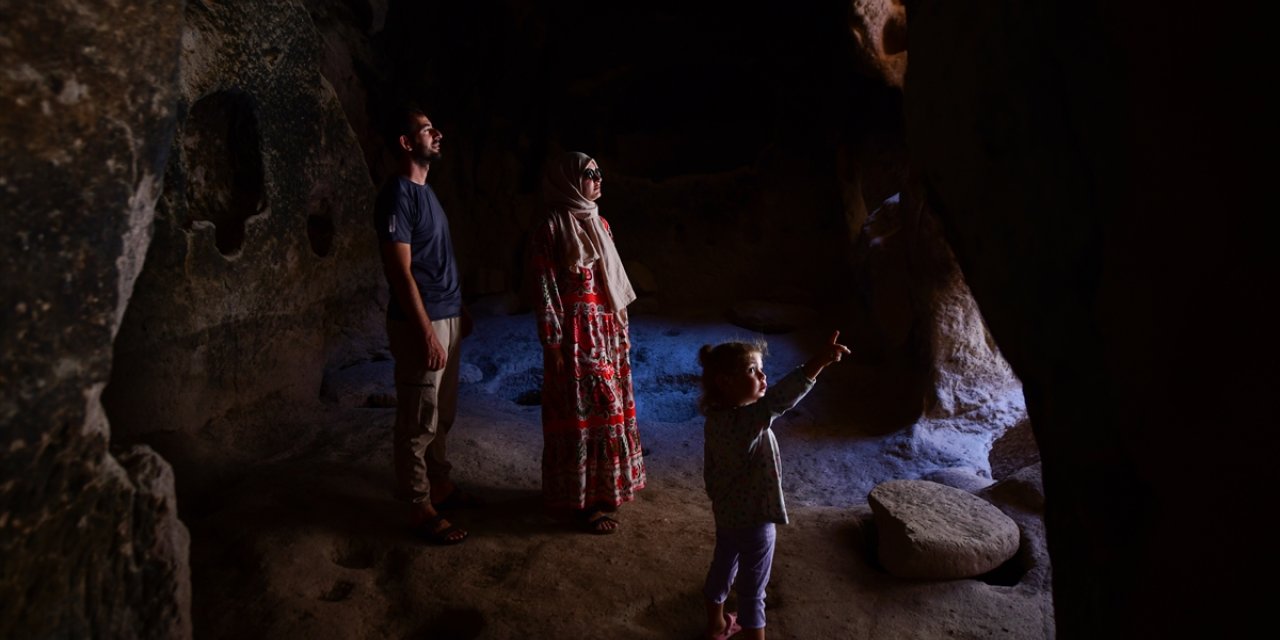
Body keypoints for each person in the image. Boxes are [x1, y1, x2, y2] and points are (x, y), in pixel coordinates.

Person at [697, 332, 851, 639]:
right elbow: (781, 397)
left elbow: (711, 469)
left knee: (724, 563)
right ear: (725, 382)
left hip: (727, 514)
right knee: (754, 589)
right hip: (756, 520)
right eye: (752, 370)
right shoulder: (750, 420)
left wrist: (717, 496)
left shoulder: (715, 419)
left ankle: (716, 623)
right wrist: (819, 362)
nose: (763, 375)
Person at [373, 105, 478, 545]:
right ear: (405, 142)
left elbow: (438, 261)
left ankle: (439, 483)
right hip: (423, 320)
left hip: (446, 315)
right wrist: (424, 331)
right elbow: (400, 272)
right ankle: (419, 505)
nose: (437, 135)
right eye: (427, 130)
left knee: (443, 414)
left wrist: (458, 310)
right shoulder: (397, 194)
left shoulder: (427, 193)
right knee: (418, 420)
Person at [528, 151, 646, 534]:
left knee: (610, 411)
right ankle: (584, 500)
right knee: (581, 414)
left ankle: (606, 491)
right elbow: (545, 287)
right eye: (589, 173)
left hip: (607, 331)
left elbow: (611, 283)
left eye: (599, 172)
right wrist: (553, 342)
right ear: (568, 180)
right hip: (574, 337)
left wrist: (620, 332)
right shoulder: (550, 227)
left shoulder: (602, 224)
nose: (598, 179)